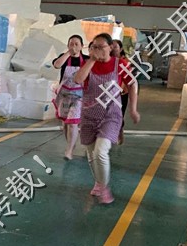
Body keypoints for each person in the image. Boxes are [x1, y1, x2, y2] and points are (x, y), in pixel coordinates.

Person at [74, 33, 140, 204]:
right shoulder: (88, 64)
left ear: (110, 48)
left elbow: (132, 83)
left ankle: (104, 187)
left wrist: (133, 109)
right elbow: (78, 79)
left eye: (101, 47)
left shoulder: (120, 64)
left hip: (111, 115)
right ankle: (98, 182)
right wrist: (91, 60)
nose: (97, 50)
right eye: (94, 47)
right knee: (91, 154)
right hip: (89, 115)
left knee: (100, 151)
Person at [52, 35, 88, 160]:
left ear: (82, 46)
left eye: (76, 44)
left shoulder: (86, 60)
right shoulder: (64, 57)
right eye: (71, 44)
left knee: (73, 123)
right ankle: (70, 145)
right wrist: (68, 53)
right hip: (64, 95)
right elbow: (57, 65)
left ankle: (69, 150)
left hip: (79, 96)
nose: (74, 46)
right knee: (66, 124)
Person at [111, 39, 131, 145]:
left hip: (121, 93)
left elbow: (126, 78)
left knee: (119, 114)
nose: (113, 49)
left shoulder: (124, 62)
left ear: (121, 49)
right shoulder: (107, 60)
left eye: (115, 47)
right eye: (111, 46)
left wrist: (120, 89)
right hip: (108, 92)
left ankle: (120, 132)